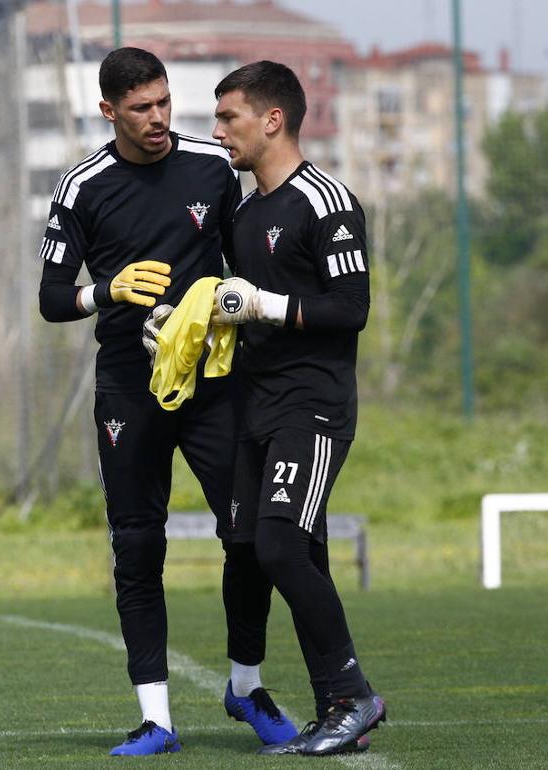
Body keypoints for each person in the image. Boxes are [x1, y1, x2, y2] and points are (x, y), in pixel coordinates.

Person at [36, 47, 297, 756]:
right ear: (108, 111)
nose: (157, 118)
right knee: (137, 544)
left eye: (163, 102)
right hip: (130, 386)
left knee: (249, 537)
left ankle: (245, 687)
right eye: (140, 108)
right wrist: (107, 291)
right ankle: (157, 719)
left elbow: (247, 262)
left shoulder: (212, 167)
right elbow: (52, 298)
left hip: (214, 383)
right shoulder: (82, 187)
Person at [206, 60, 387, 756]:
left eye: (229, 117)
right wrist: (197, 325)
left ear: (272, 119)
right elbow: (241, 306)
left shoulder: (327, 202)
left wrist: (266, 305)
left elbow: (351, 309)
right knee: (270, 550)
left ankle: (354, 696)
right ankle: (336, 710)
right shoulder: (244, 212)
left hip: (311, 408)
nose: (218, 131)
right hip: (254, 406)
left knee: (281, 545)